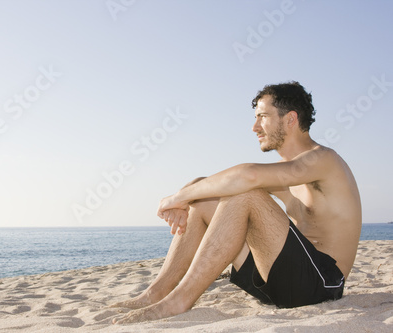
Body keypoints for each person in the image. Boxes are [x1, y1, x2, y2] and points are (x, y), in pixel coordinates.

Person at [111, 81, 362, 324]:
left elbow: (246, 177)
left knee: (246, 193)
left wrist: (175, 199)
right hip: (280, 284)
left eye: (262, 116)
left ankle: (179, 301)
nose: (254, 127)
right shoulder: (287, 172)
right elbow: (215, 183)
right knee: (205, 201)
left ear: (290, 119)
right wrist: (186, 197)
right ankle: (155, 294)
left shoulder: (323, 160)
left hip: (321, 284)